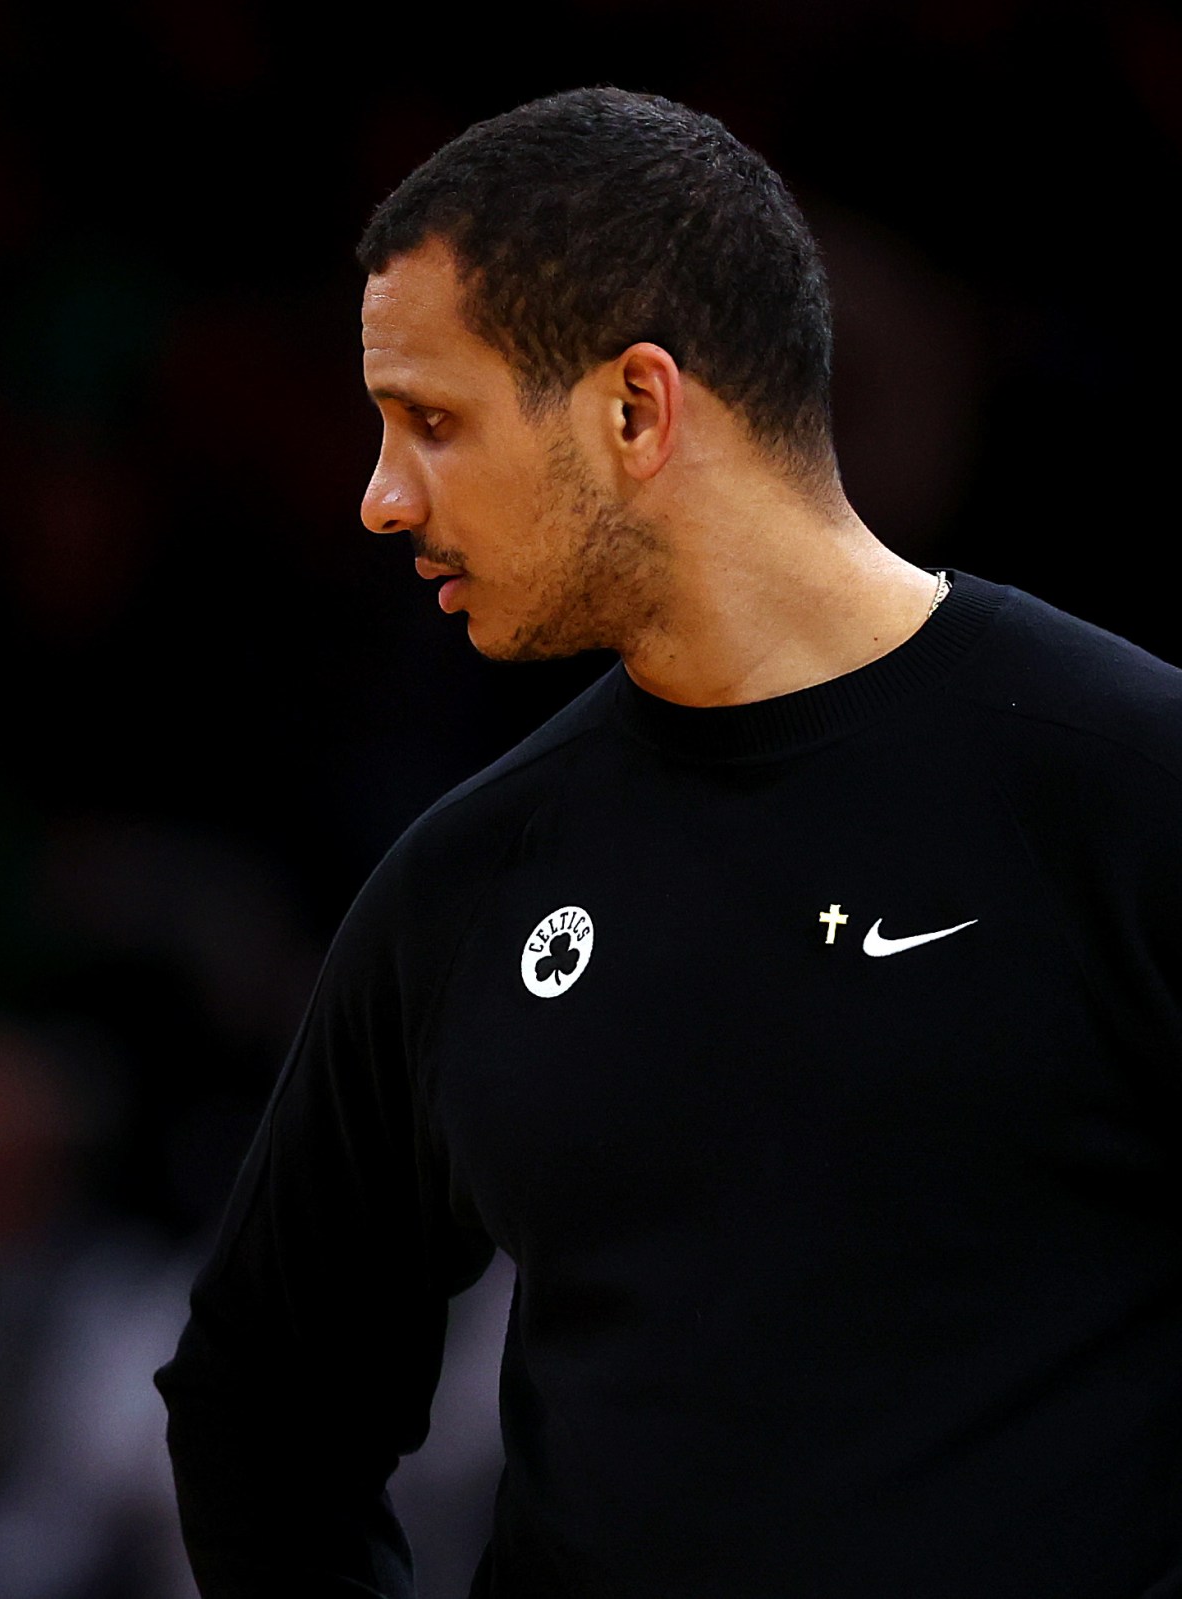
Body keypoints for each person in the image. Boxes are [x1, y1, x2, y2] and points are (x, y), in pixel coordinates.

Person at [157, 88, 1182, 1597]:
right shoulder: (467, 879)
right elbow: (261, 1395)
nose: (379, 498)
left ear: (636, 409)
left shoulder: (1126, 782)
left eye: (432, 421)